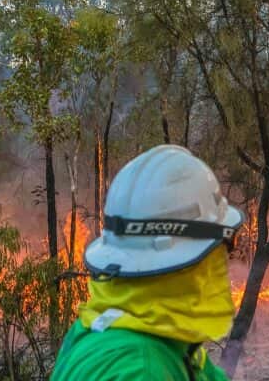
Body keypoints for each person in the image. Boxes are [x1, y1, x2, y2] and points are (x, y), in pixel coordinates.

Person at [52, 144, 244, 381]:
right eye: (225, 245)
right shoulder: (142, 369)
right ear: (194, 259)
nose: (224, 259)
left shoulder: (103, 327)